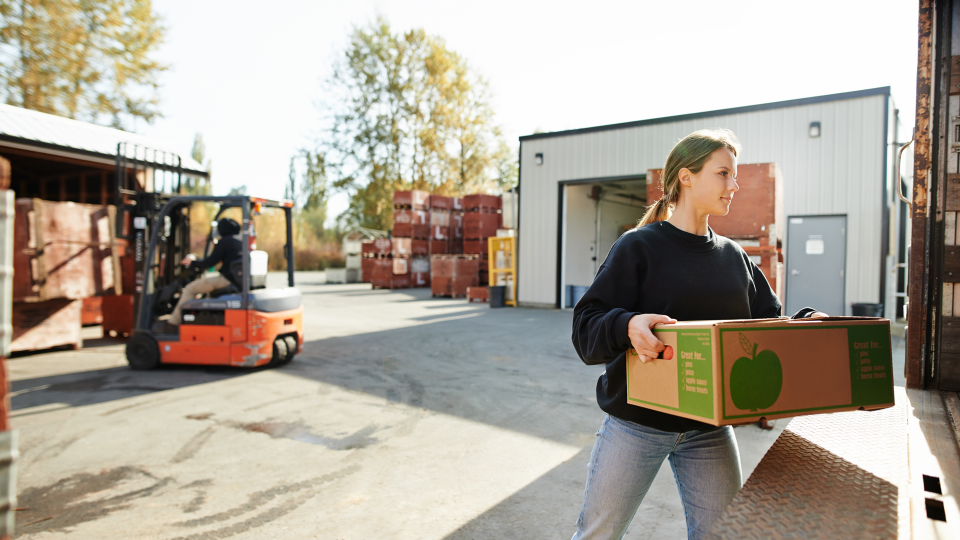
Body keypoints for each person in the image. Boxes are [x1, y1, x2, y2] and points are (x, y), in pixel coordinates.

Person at [570, 129, 821, 540]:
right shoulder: (638, 247)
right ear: (686, 177)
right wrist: (628, 325)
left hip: (709, 430)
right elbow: (586, 327)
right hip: (637, 425)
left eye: (734, 176)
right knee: (598, 534)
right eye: (723, 173)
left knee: (722, 534)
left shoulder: (734, 258)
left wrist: (808, 324)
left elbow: (769, 325)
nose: (734, 185)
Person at [160, 217, 243, 331]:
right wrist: (197, 262)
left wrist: (192, 262)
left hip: (227, 279)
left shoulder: (224, 242)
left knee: (190, 289)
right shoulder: (240, 241)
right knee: (203, 282)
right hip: (235, 278)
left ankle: (172, 324)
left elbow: (209, 263)